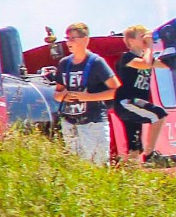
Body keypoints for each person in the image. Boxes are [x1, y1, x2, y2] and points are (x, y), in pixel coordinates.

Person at [53, 22, 119, 166]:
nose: (68, 42)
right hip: (70, 124)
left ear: (85, 40)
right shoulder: (64, 64)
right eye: (67, 38)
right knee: (76, 168)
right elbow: (57, 95)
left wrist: (88, 97)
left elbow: (116, 91)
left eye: (72, 39)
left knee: (97, 167)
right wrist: (65, 94)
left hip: (93, 124)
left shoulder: (97, 62)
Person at [114, 25, 167, 164]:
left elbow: (163, 64)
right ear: (131, 41)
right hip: (126, 102)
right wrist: (149, 46)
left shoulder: (146, 59)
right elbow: (146, 64)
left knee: (135, 148)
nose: (145, 39)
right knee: (159, 115)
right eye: (141, 37)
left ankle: (131, 175)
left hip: (135, 105)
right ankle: (150, 156)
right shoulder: (127, 57)